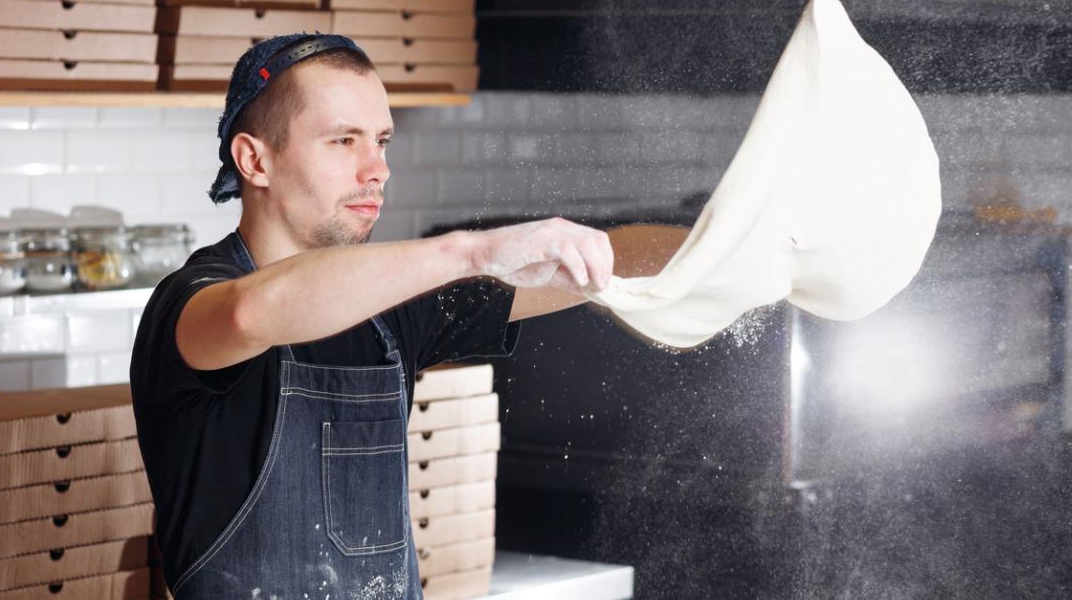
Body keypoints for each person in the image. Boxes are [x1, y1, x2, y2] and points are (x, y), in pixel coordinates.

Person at [130, 33, 672, 598]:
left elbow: (609, 260)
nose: (378, 169)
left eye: (382, 141)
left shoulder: (392, 308)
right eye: (344, 140)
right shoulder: (192, 300)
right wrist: (470, 251)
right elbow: (253, 313)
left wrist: (736, 249)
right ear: (254, 160)